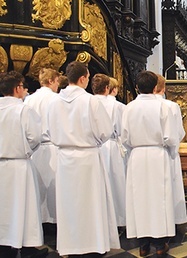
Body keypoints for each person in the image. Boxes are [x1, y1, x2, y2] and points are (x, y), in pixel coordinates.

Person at [47, 61, 119, 256]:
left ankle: (71, 244)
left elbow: (50, 131)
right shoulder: (91, 101)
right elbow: (104, 131)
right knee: (91, 203)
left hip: (64, 157)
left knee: (69, 203)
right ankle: (93, 242)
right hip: (88, 157)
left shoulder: (54, 102)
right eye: (87, 78)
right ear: (82, 78)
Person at [122, 71, 183, 257]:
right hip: (158, 154)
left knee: (139, 198)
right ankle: (159, 243)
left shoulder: (129, 108)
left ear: (138, 87)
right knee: (159, 199)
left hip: (137, 155)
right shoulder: (165, 106)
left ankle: (143, 243)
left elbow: (124, 137)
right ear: (156, 86)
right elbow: (173, 137)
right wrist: (171, 151)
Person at [0, 71, 47, 258]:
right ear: (17, 88)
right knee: (24, 206)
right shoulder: (23, 110)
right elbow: (35, 137)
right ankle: (27, 246)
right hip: (19, 164)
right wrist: (26, 150)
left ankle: (4, 244)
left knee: (4, 207)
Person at [24, 68, 60, 226]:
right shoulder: (56, 99)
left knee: (38, 188)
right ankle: (54, 221)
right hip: (52, 147)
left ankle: (40, 221)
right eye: (57, 81)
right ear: (51, 81)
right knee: (54, 188)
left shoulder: (29, 99)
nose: (58, 85)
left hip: (36, 149)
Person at [92, 74, 127, 229]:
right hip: (111, 145)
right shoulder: (116, 106)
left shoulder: (89, 103)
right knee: (115, 182)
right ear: (108, 88)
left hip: (94, 146)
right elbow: (122, 129)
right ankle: (119, 218)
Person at [154, 74, 187, 226]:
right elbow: (179, 133)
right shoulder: (171, 106)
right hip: (165, 152)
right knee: (167, 190)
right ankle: (168, 223)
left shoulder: (131, 107)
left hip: (139, 155)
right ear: (162, 88)